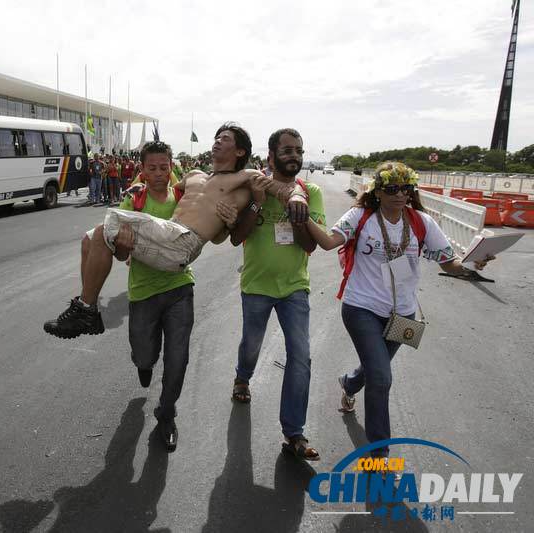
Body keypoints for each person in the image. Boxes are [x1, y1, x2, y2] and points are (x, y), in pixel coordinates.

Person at [303, 161, 494, 462]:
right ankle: (378, 453)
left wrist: (473, 264)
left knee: (372, 372)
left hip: (404, 315)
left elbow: (449, 263)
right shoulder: (361, 216)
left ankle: (349, 383)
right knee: (381, 377)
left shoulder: (421, 222)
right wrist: (302, 217)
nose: (400, 194)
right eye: (392, 188)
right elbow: (328, 242)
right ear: (377, 191)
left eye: (406, 188)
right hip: (361, 308)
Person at [44, 122, 309, 339]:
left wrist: (297, 198)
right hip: (167, 235)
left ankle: (85, 310)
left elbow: (285, 188)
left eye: (225, 138)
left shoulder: (245, 177)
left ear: (240, 152)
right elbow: (163, 186)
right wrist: (137, 187)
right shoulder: (195, 174)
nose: (217, 140)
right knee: (90, 239)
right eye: (216, 136)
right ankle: (88, 309)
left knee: (108, 225)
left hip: (183, 243)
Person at [226, 128, 325, 461]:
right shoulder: (253, 187)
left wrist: (297, 211)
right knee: (251, 344)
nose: (293, 155)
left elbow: (311, 245)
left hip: (295, 288)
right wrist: (256, 202)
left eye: (298, 150)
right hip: (256, 286)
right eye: (286, 150)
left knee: (301, 357)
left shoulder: (310, 192)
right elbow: (236, 238)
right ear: (270, 156)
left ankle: (293, 433)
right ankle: (242, 378)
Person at [115, 142, 194, 452]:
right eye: (152, 168)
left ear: (171, 166)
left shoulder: (184, 199)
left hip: (180, 289)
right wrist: (122, 243)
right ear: (142, 170)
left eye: (165, 167)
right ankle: (143, 363)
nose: (160, 174)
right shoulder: (133, 200)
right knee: (145, 355)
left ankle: (167, 413)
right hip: (144, 292)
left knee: (178, 359)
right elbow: (120, 252)